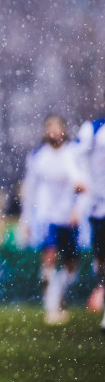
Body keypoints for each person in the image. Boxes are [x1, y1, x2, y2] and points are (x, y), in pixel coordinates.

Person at [20, 114, 86, 325]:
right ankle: (51, 307)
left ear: (64, 130)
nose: (53, 132)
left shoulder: (74, 152)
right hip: (47, 215)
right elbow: (30, 189)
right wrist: (26, 219)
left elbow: (83, 183)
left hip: (69, 215)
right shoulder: (38, 156)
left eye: (57, 127)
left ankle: (59, 295)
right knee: (49, 257)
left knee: (71, 266)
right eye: (49, 127)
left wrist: (78, 209)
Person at [74, 108, 105, 332]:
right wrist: (81, 182)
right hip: (99, 206)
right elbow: (74, 158)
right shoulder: (93, 129)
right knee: (101, 260)